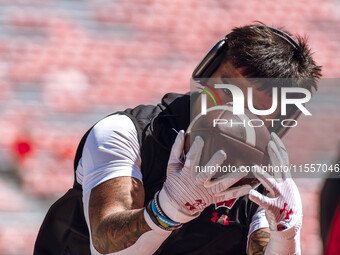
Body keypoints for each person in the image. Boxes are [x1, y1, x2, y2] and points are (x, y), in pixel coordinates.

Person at [34, 23, 321, 255]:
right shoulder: (126, 132)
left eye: (256, 106)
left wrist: (287, 234)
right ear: (207, 72)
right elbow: (105, 249)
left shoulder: (267, 178)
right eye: (229, 89)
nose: (233, 109)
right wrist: (169, 209)